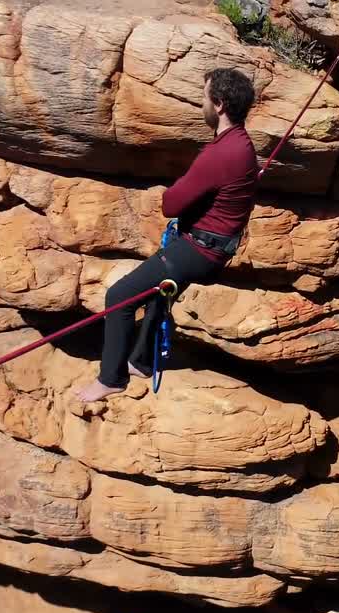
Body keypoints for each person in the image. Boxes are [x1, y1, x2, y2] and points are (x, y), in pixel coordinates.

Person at [74, 68, 259, 402]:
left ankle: (110, 379)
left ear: (218, 105)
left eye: (204, 97)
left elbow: (170, 204)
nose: (200, 104)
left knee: (119, 297)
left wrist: (180, 189)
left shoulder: (219, 154)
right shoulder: (242, 144)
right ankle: (141, 361)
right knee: (159, 294)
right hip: (213, 249)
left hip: (197, 252)